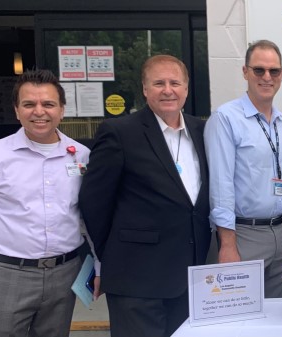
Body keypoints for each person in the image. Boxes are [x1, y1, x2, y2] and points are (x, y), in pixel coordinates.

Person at [79, 55, 210, 337]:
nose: (167, 90)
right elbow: (94, 202)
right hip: (136, 280)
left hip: (190, 279)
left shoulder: (202, 131)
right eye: (158, 83)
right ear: (145, 89)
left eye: (175, 83)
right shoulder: (119, 133)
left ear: (186, 89)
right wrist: (112, 254)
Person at [0, 69, 93, 337]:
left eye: (48, 104)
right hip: (7, 273)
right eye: (29, 104)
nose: (39, 111)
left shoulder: (81, 156)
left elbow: (91, 213)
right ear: (16, 110)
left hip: (65, 272)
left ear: (62, 110)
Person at [205, 40, 282, 298]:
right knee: (240, 313)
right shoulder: (225, 118)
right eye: (259, 70)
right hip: (244, 235)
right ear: (245, 72)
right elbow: (220, 185)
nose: (267, 77)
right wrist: (227, 244)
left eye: (274, 71)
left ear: (281, 75)